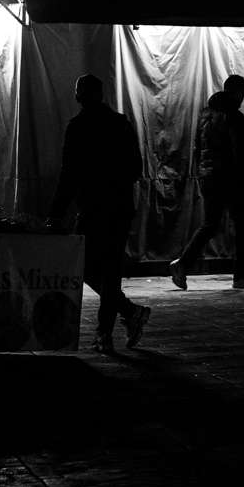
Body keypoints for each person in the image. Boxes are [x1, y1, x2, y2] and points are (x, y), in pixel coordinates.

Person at [51, 73, 150, 354]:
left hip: (92, 207)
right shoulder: (121, 124)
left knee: (85, 268)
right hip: (118, 208)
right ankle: (113, 325)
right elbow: (134, 169)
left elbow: (68, 175)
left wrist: (56, 213)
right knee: (110, 271)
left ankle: (118, 322)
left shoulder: (78, 127)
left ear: (80, 96)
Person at [169, 73, 244, 290]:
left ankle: (183, 263)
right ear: (238, 92)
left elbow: (198, 148)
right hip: (230, 178)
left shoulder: (205, 116)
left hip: (208, 176)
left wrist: (202, 173)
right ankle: (241, 275)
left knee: (210, 224)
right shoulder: (234, 116)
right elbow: (240, 150)